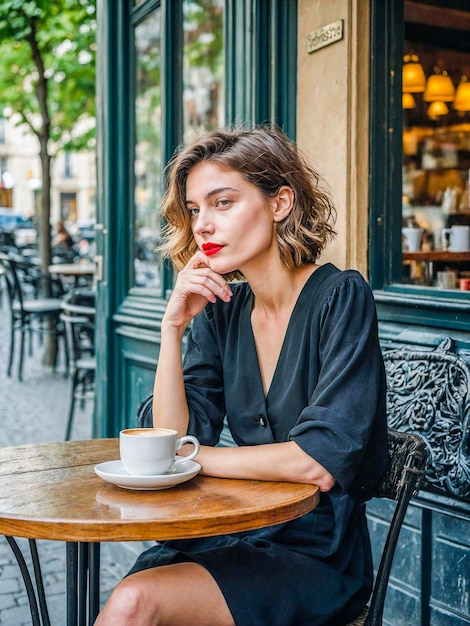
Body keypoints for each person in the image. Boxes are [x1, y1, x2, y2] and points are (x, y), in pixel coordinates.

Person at [95, 126, 388, 626]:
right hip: (231, 533)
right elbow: (173, 435)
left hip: (314, 553)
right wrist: (172, 328)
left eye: (222, 202)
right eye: (194, 209)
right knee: (135, 593)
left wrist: (192, 460)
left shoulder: (341, 298)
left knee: (135, 602)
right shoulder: (222, 313)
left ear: (280, 203)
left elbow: (316, 463)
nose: (203, 225)